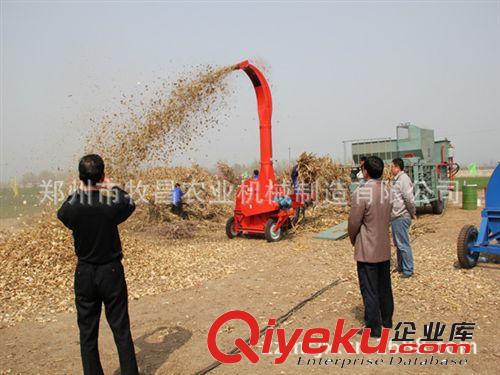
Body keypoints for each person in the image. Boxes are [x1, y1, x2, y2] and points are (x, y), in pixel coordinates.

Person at [57, 154, 138, 375]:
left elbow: (62, 212)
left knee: (87, 333)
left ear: (80, 177)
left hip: (84, 273)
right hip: (111, 272)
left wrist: (80, 189)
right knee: (121, 329)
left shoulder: (73, 207)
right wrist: (111, 185)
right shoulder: (110, 205)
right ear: (102, 176)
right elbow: (129, 203)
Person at [348, 156, 393, 337]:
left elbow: (353, 222)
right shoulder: (388, 191)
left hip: (368, 248)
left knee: (370, 288)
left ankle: (373, 328)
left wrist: (353, 239)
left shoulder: (362, 192)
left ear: (365, 172)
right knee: (384, 285)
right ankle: (387, 320)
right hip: (383, 245)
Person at [390, 157, 416, 278]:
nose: (390, 168)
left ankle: (408, 270)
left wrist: (412, 212)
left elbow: (408, 199)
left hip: (401, 215)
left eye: (391, 166)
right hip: (395, 216)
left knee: (403, 244)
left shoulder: (404, 179)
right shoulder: (396, 180)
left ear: (397, 167)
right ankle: (401, 266)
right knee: (398, 244)